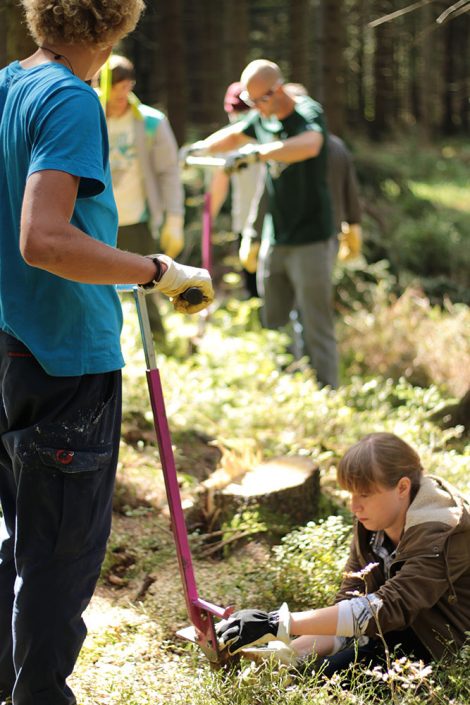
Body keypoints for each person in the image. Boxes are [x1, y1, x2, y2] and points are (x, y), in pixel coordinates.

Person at [0, 2, 213, 704]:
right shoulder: (68, 98)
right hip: (64, 358)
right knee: (58, 558)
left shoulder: (11, 84)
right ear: (115, 23)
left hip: (14, 346)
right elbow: (45, 239)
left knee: (20, 539)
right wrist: (155, 270)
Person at [215, 433, 470, 676]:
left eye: (365, 494)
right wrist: (285, 654)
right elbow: (353, 601)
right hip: (396, 634)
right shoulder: (374, 523)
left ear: (402, 487)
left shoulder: (443, 530)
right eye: (352, 493)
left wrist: (276, 623)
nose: (354, 505)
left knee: (314, 678)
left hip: (443, 647)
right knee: (296, 673)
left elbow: (392, 607)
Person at [188, 60, 338, 388]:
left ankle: (327, 389)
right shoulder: (262, 117)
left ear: (278, 91)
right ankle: (286, 381)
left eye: (260, 101)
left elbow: (311, 144)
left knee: (315, 322)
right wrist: (200, 148)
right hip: (275, 236)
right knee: (274, 317)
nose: (256, 108)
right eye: (251, 102)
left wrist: (258, 154)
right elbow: (235, 133)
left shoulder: (306, 113)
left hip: (312, 236)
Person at [104, 54, 186, 336]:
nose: (121, 98)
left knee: (144, 288)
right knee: (97, 290)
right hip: (98, 220)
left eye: (127, 89)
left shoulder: (150, 121)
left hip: (137, 217)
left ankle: (157, 339)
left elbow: (169, 171)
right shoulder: (88, 116)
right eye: (115, 91)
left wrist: (174, 218)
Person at [209, 82, 266, 298]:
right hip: (245, 222)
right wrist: (210, 216)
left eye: (244, 111)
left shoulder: (268, 133)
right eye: (235, 111)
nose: (239, 117)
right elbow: (219, 183)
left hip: (271, 222)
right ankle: (260, 325)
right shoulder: (227, 140)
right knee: (253, 286)